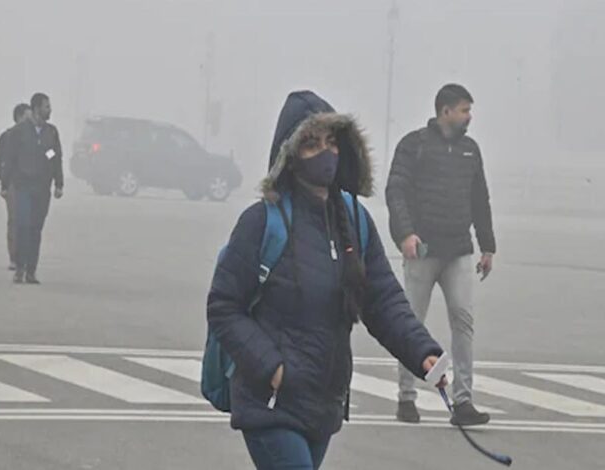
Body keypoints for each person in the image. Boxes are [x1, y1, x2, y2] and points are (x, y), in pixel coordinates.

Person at [207, 90, 446, 470]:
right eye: (312, 144)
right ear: (289, 155)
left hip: (322, 403)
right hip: (271, 404)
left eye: (332, 142)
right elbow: (224, 306)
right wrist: (272, 369)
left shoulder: (354, 220)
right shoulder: (262, 221)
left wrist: (422, 351)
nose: (326, 153)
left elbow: (382, 300)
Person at [386, 83, 496, 426]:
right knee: (411, 323)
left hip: (459, 250)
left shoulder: (470, 151)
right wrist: (405, 233)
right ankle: (406, 397)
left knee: (463, 321)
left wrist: (488, 246)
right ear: (445, 111)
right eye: (464, 110)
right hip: (422, 250)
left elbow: (480, 199)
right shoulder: (414, 145)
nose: (469, 117)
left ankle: (463, 402)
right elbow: (395, 190)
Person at [1, 93, 63, 284]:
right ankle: (19, 268)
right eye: (46, 106)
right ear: (37, 109)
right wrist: (5, 184)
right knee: (23, 226)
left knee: (36, 228)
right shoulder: (19, 132)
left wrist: (59, 183)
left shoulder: (51, 133)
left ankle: (31, 270)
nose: (49, 110)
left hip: (42, 188)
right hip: (23, 187)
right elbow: (10, 159)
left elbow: (56, 157)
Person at [0, 103, 31, 271]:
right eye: (27, 117)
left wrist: (51, 160)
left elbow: (49, 152)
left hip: (32, 185)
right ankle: (14, 257)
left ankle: (28, 256)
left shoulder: (37, 135)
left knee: (30, 221)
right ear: (18, 117)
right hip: (14, 185)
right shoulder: (7, 137)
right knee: (14, 220)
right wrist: (4, 181)